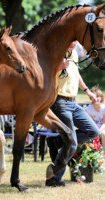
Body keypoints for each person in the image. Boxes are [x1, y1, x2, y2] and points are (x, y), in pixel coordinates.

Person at [46, 41, 99, 187]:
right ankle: (54, 178)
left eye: (75, 40)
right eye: (71, 40)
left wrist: (88, 92)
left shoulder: (74, 53)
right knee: (72, 143)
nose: (74, 43)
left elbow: (76, 73)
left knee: (93, 131)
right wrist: (58, 67)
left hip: (73, 103)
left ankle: (56, 141)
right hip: (59, 101)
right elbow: (45, 73)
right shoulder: (56, 52)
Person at [85, 86, 105, 157]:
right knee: (91, 134)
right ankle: (93, 154)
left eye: (98, 96)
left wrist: (99, 130)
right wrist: (96, 130)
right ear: (90, 98)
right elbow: (89, 123)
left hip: (102, 128)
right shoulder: (88, 110)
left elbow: (104, 123)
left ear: (101, 98)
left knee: (103, 134)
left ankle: (103, 154)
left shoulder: (104, 108)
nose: (96, 99)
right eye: (93, 97)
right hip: (93, 127)